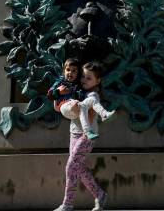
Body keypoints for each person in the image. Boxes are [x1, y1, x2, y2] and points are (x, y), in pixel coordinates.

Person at [56, 62, 111, 211]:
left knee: (71, 166)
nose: (84, 80)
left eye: (89, 78)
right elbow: (59, 107)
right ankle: (100, 195)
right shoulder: (77, 91)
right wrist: (60, 98)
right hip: (74, 133)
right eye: (83, 77)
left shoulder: (93, 96)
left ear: (97, 81)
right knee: (79, 168)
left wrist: (77, 108)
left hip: (86, 137)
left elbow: (91, 116)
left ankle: (67, 204)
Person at [50, 58, 114, 139]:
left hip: (76, 109)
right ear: (64, 71)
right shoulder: (61, 82)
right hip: (65, 106)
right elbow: (50, 95)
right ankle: (87, 131)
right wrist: (58, 92)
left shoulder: (79, 86)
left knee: (89, 101)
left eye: (74, 71)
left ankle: (104, 114)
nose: (70, 73)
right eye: (68, 70)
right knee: (81, 105)